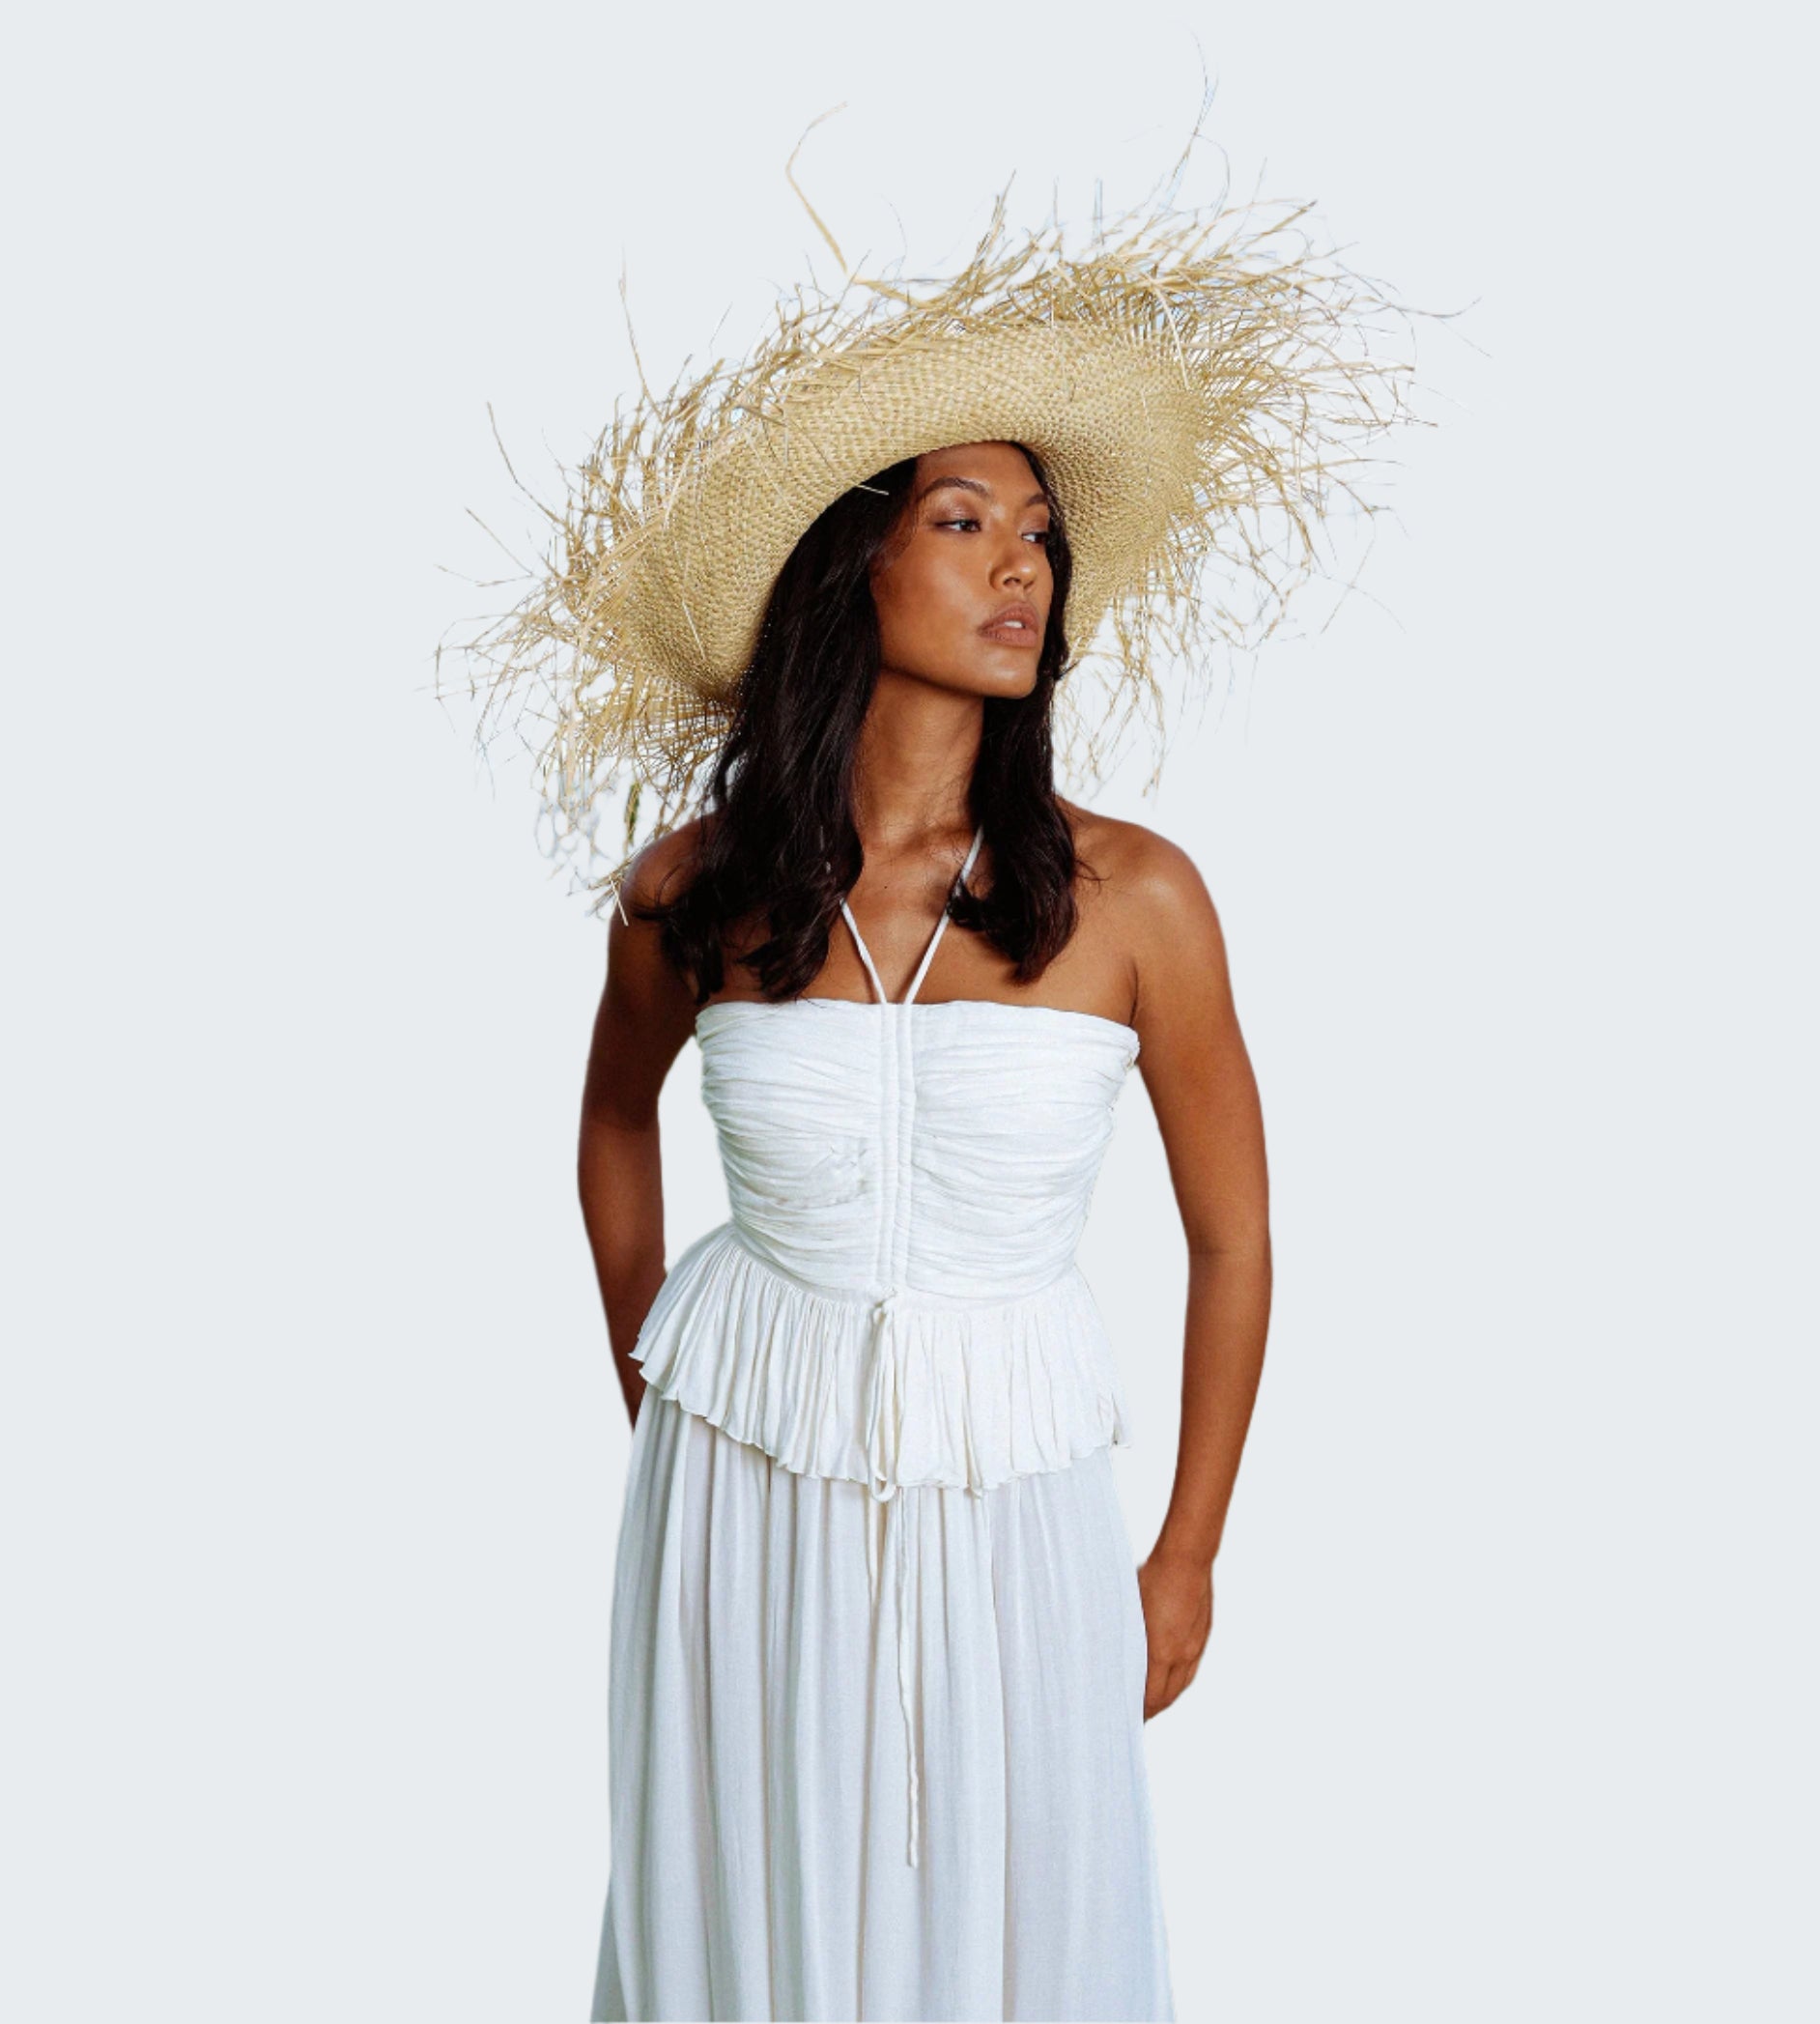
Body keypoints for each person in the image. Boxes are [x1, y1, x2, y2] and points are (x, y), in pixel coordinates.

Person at [440, 171, 1418, 2023]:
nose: (1021, 567)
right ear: (849, 565)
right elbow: (609, 1129)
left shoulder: (1136, 897)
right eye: (964, 523)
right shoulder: (696, 889)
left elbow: (1235, 1237)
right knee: (749, 1915)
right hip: (736, 1497)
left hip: (1016, 1502)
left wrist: (1187, 1551)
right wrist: (662, 1383)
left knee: (1013, 1915)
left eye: (1038, 533)